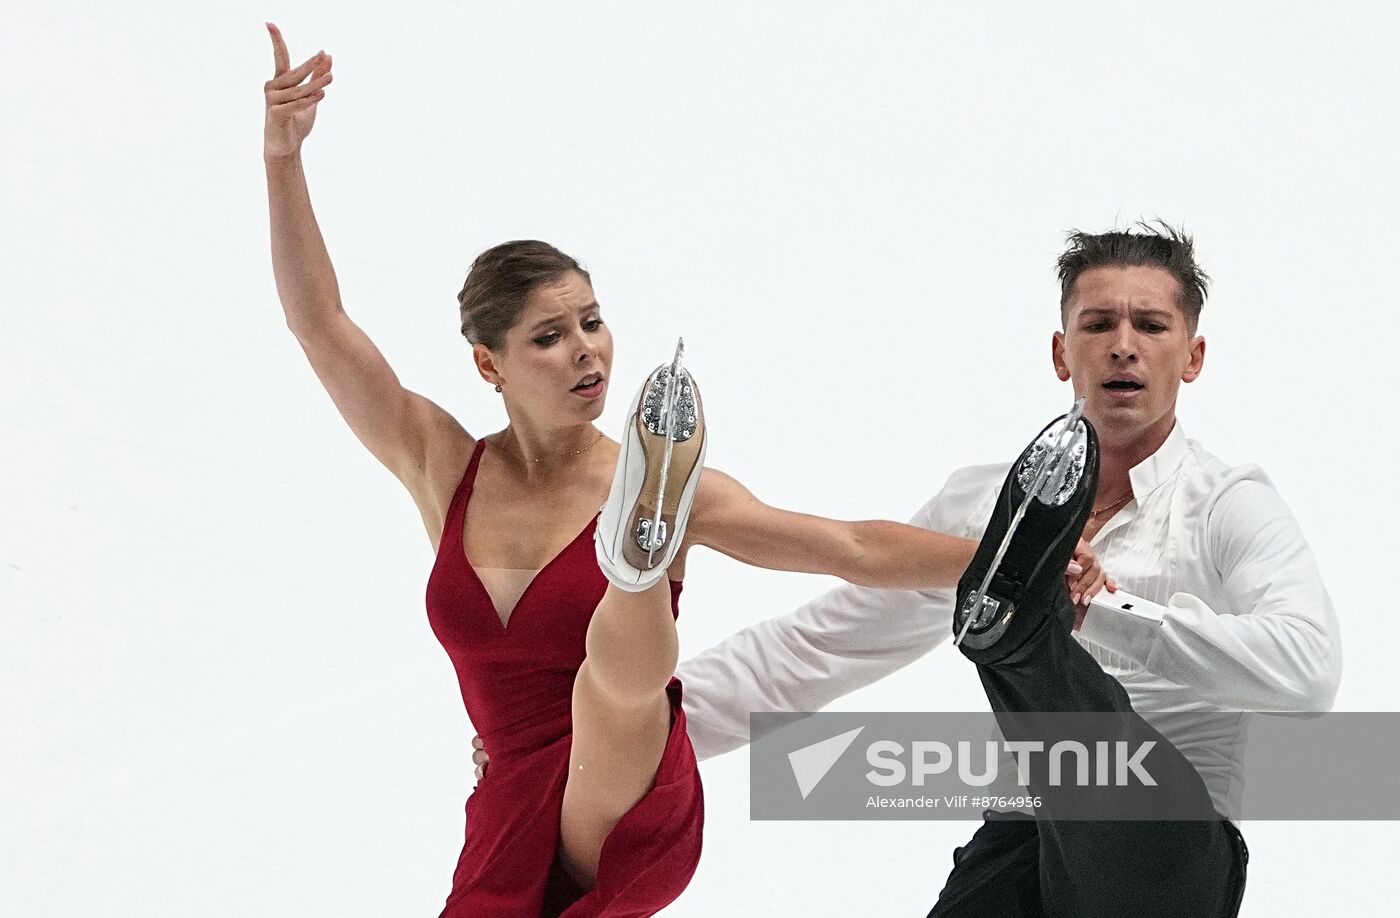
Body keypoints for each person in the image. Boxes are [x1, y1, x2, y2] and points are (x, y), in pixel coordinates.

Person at [261, 25, 1108, 917]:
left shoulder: (674, 485)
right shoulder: (444, 467)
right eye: (550, 337)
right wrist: (283, 155)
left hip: (627, 776)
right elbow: (322, 329)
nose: (586, 351)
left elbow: (848, 546)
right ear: (490, 365)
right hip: (511, 795)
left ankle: (635, 558)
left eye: (592, 321)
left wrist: (1012, 561)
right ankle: (636, 559)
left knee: (611, 683)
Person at [669, 223, 1343, 915]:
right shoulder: (986, 508)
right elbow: (819, 645)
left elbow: (1307, 670)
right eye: (1098, 323)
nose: (1123, 344)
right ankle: (1023, 612)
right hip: (1022, 835)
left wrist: (1099, 612)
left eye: (1151, 325)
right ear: (1062, 352)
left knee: (1097, 740)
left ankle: (1025, 618)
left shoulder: (1227, 504)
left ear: (1192, 356)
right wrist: (643, 727)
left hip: (1169, 844)